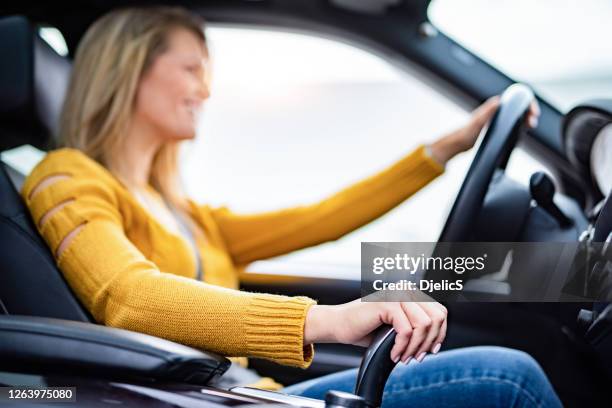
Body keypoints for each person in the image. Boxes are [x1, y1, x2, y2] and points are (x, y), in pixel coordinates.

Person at [21, 6, 560, 407]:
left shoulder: (181, 211)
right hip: (205, 400)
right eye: (191, 69)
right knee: (507, 378)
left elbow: (321, 219)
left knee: (514, 338)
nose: (205, 90)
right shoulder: (66, 177)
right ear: (129, 71)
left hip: (252, 393)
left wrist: (447, 148)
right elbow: (130, 300)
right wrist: (329, 320)